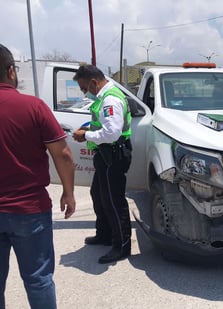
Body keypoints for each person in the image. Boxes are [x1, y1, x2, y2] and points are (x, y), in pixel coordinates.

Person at [0, 44, 76, 309]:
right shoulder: (33, 106)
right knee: (38, 280)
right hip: (29, 210)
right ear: (11, 71)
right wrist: (68, 192)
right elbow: (64, 155)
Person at [72, 65, 132, 264]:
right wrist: (89, 126)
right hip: (105, 155)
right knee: (98, 194)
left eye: (83, 88)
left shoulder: (110, 100)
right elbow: (105, 124)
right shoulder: (102, 98)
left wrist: (85, 135)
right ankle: (104, 234)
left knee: (114, 201)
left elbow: (112, 133)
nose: (84, 92)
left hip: (113, 156)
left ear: (93, 83)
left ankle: (121, 246)